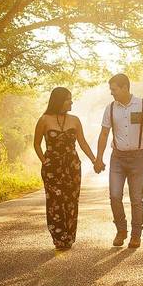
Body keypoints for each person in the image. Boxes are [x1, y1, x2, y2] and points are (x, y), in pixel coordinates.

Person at [94, 73, 143, 249]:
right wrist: (98, 158)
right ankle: (121, 231)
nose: (111, 93)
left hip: (137, 158)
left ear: (125, 88)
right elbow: (104, 133)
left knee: (136, 199)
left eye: (114, 89)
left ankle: (136, 235)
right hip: (117, 158)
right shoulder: (110, 108)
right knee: (114, 196)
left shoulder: (142, 105)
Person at [33, 87, 99, 250]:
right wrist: (45, 161)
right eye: (68, 99)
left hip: (72, 167)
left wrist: (94, 160)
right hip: (52, 168)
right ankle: (58, 238)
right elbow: (36, 143)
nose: (71, 102)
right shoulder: (44, 120)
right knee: (55, 202)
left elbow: (82, 142)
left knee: (71, 202)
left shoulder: (75, 120)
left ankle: (69, 236)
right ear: (59, 100)